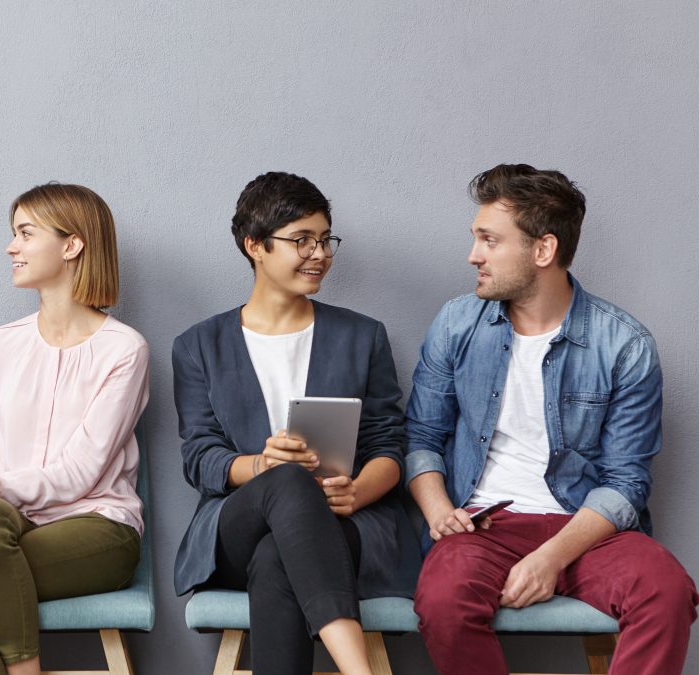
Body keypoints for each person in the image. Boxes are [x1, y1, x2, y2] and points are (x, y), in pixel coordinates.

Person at [405, 163, 698, 675]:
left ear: (543, 250)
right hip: (484, 525)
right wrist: (437, 513)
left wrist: (551, 558)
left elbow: (626, 481)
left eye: (489, 241)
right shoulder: (456, 323)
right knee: (443, 600)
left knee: (667, 591)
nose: (474, 255)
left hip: (586, 528)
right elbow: (423, 437)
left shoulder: (625, 345)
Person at [172, 172, 419, 675]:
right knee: (284, 480)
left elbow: (389, 445)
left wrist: (359, 491)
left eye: (326, 240)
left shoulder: (362, 336)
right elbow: (200, 457)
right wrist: (261, 465)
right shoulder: (199, 345)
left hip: (344, 522)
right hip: (235, 525)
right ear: (255, 246)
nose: (320, 253)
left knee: (276, 559)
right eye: (301, 240)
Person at [0, 183, 148, 675]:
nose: (10, 247)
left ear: (72, 244)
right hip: (3, 529)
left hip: (98, 528)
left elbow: (81, 472)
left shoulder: (124, 350)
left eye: (24, 233)